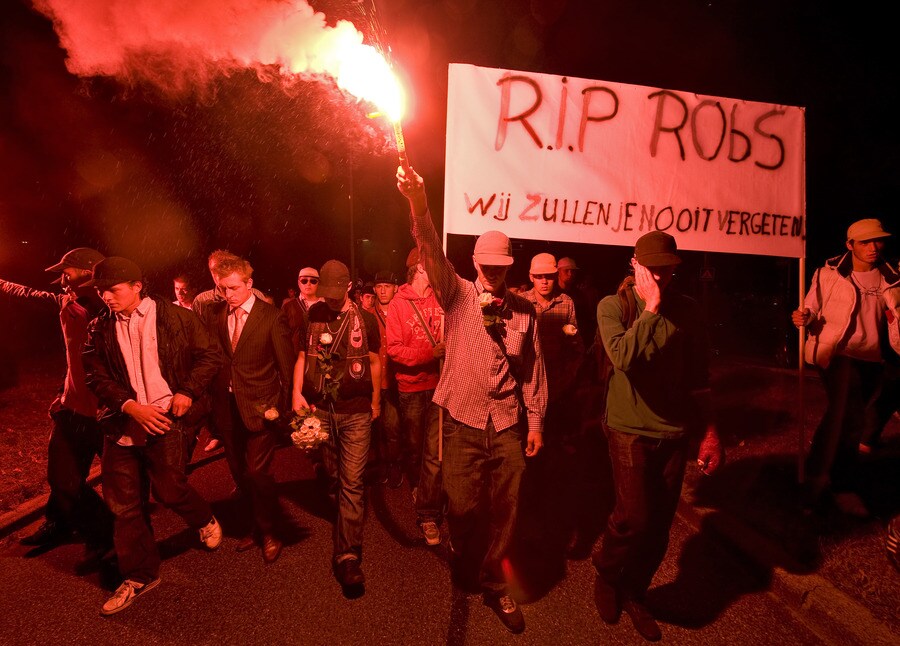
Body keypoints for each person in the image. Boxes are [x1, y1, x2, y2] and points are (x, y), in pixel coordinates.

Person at [397, 164, 547, 634]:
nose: (495, 273)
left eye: (502, 266)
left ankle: (493, 583)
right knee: (461, 508)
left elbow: (533, 370)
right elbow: (429, 250)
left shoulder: (525, 310)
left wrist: (536, 423)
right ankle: (464, 553)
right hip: (461, 420)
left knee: (507, 510)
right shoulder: (457, 294)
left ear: (509, 266)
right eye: (487, 266)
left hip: (505, 423)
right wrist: (417, 203)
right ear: (476, 264)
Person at [592, 231, 724, 641]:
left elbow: (700, 378)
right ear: (634, 264)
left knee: (659, 526)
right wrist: (651, 307)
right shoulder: (614, 305)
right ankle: (608, 572)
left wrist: (711, 433)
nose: (660, 275)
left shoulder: (689, 310)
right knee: (633, 517)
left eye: (666, 268)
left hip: (673, 430)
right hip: (628, 428)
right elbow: (622, 357)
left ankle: (636, 592)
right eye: (652, 268)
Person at [82, 256, 223, 616]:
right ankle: (140, 575)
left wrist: (187, 391)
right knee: (124, 506)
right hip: (123, 424)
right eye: (100, 292)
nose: (106, 298)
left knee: (170, 489)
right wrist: (129, 406)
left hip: (167, 420)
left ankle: (203, 519)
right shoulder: (99, 327)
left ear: (136, 286)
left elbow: (209, 356)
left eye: (112, 290)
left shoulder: (177, 318)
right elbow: (95, 375)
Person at [1, 247, 113, 562]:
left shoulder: (109, 310)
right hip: (71, 409)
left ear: (90, 272)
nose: (61, 279)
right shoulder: (66, 301)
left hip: (105, 414)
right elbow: (26, 293)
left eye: (68, 272)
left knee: (122, 485)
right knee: (63, 477)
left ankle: (108, 536)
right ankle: (62, 523)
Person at [792, 218, 900, 517]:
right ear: (849, 245)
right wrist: (805, 317)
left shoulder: (891, 277)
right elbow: (812, 306)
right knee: (850, 415)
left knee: (846, 417)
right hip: (835, 352)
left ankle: (824, 467)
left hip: (870, 357)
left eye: (878, 241)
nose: (874, 247)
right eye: (865, 242)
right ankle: (832, 483)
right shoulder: (829, 273)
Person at [291, 260, 382, 595]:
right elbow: (303, 356)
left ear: (347, 287)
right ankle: (342, 508)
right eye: (323, 293)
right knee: (331, 475)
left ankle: (347, 556)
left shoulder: (367, 320)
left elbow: (374, 360)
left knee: (353, 482)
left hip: (356, 411)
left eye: (335, 293)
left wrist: (375, 403)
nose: (328, 300)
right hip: (322, 410)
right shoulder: (311, 316)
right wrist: (296, 393)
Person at [204, 256, 294, 564]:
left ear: (249, 284)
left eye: (231, 288)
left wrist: (280, 410)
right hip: (227, 408)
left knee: (258, 472)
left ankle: (271, 531)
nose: (227, 295)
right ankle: (255, 525)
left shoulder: (271, 317)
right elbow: (215, 359)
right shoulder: (216, 316)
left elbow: (286, 368)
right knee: (241, 474)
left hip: (261, 407)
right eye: (221, 289)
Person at [518, 253, 585, 561]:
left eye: (549, 276)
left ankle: (546, 519)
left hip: (555, 394)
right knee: (523, 455)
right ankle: (522, 515)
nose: (545, 281)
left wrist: (566, 382)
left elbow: (576, 349)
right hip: (524, 394)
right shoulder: (520, 301)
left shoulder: (566, 303)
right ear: (531, 277)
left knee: (550, 457)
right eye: (539, 276)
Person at [386, 248, 446, 545]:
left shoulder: (440, 298)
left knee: (434, 452)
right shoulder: (398, 305)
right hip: (411, 386)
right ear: (417, 269)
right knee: (414, 445)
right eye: (429, 266)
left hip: (439, 384)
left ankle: (428, 513)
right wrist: (428, 353)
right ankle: (419, 484)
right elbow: (394, 349)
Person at [192, 250, 266, 452]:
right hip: (220, 365)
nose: (218, 274)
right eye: (213, 270)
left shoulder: (254, 294)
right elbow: (200, 335)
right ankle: (220, 434)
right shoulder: (203, 301)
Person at [364, 270, 403, 488]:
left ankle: (395, 464)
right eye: (379, 286)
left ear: (395, 288)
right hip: (376, 380)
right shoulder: (368, 314)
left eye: (387, 286)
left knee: (394, 427)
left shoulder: (402, 311)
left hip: (397, 378)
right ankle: (382, 465)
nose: (382, 290)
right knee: (377, 427)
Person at [558, 256, 600, 346]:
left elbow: (585, 319)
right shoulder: (553, 294)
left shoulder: (579, 294)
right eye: (566, 270)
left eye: (573, 271)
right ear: (558, 272)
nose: (570, 274)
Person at [282, 267, 323, 355]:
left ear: (318, 283)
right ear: (298, 282)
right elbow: (282, 339)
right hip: (294, 360)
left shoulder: (326, 307)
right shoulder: (288, 307)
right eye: (304, 281)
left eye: (313, 281)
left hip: (321, 362)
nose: (308, 284)